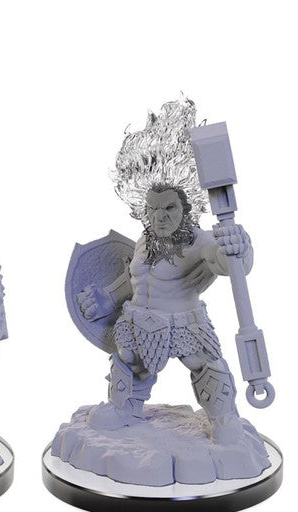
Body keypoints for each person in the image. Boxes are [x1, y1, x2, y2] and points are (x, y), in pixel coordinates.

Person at [77, 98, 252, 444]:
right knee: (128, 358)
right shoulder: (145, 240)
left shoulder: (200, 242)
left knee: (204, 363)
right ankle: (124, 410)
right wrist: (107, 297)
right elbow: (134, 278)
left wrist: (239, 247)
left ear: (186, 208)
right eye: (154, 209)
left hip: (185, 322)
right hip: (140, 319)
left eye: (169, 208)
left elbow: (227, 263)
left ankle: (224, 420)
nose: (160, 217)